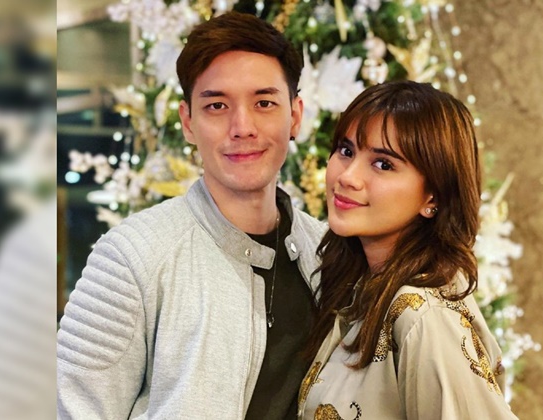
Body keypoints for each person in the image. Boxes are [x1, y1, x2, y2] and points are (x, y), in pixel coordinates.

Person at [57, 12, 326, 419]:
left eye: (264, 103)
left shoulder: (329, 255)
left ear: (295, 116)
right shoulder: (131, 258)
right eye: (217, 105)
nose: (242, 127)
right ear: (188, 121)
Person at [297, 81, 519, 419]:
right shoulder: (362, 287)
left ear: (433, 196)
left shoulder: (424, 317)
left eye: (383, 164)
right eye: (346, 150)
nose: (348, 176)